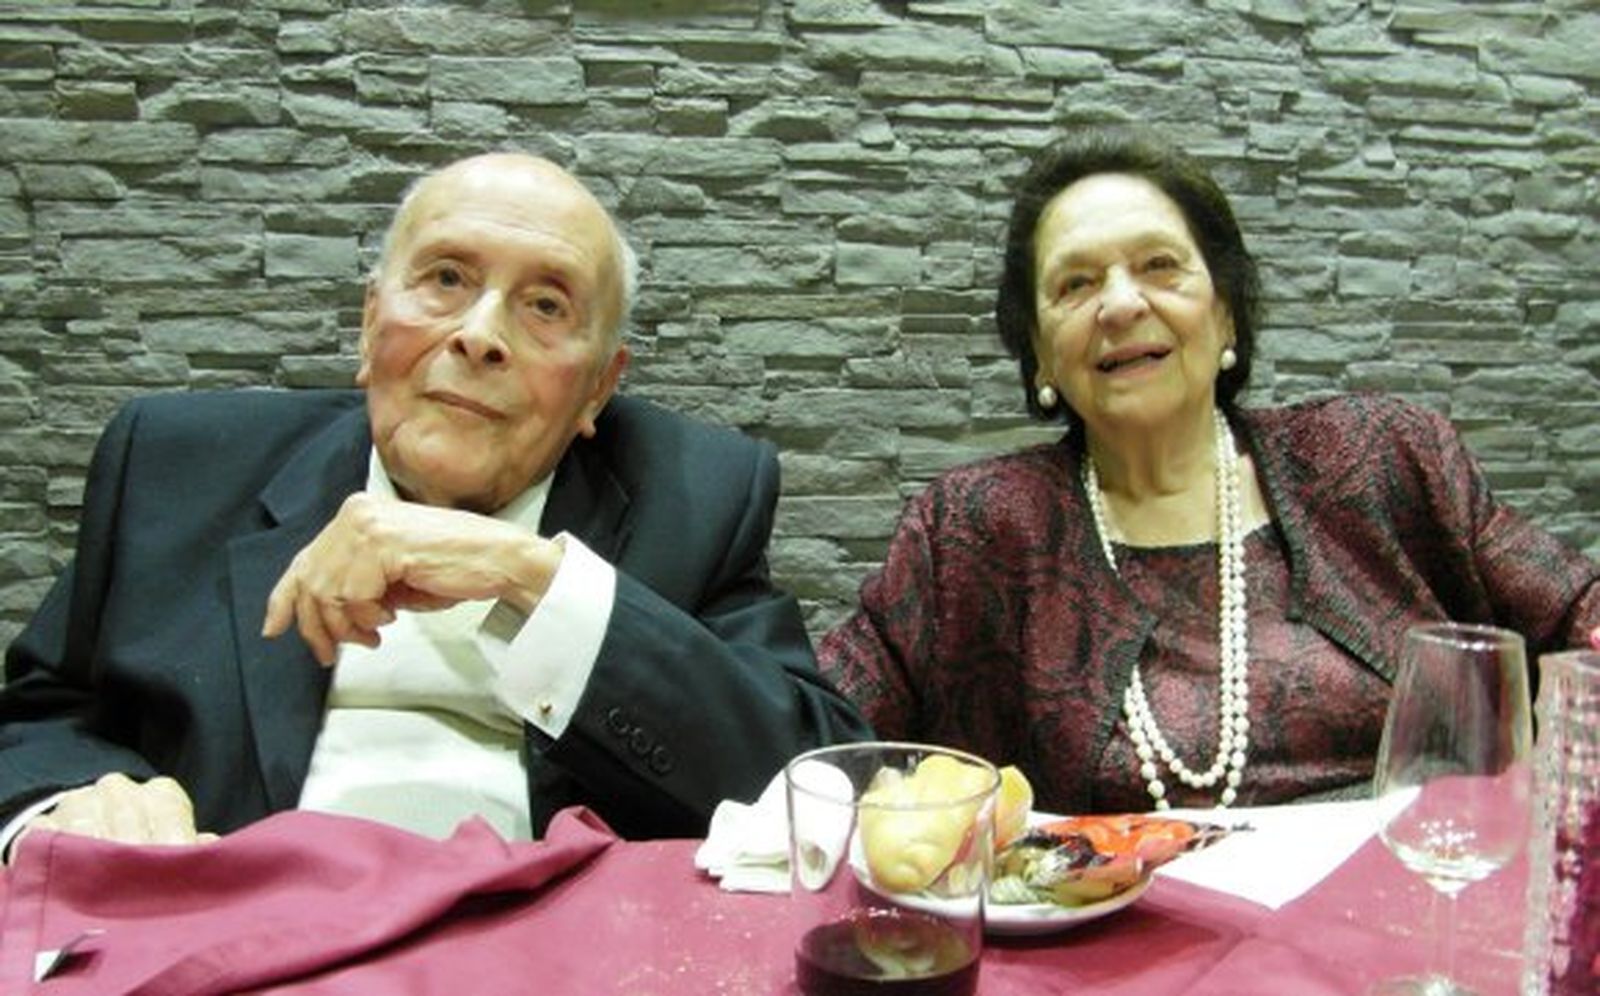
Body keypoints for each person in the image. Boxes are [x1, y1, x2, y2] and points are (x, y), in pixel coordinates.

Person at [0, 152, 871, 857]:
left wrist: (530, 576)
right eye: (447, 278)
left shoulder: (699, 494)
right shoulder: (177, 464)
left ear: (600, 387)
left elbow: (806, 786)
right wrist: (73, 796)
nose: (481, 334)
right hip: (241, 939)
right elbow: (39, 719)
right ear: (370, 320)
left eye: (545, 305)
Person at [818, 128, 1600, 816]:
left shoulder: (1382, 459)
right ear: (1042, 353)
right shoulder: (975, 528)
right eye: (1076, 284)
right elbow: (822, 733)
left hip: (1410, 932)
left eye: (1159, 266)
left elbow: (1581, 621)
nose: (1120, 305)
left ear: (1226, 314)